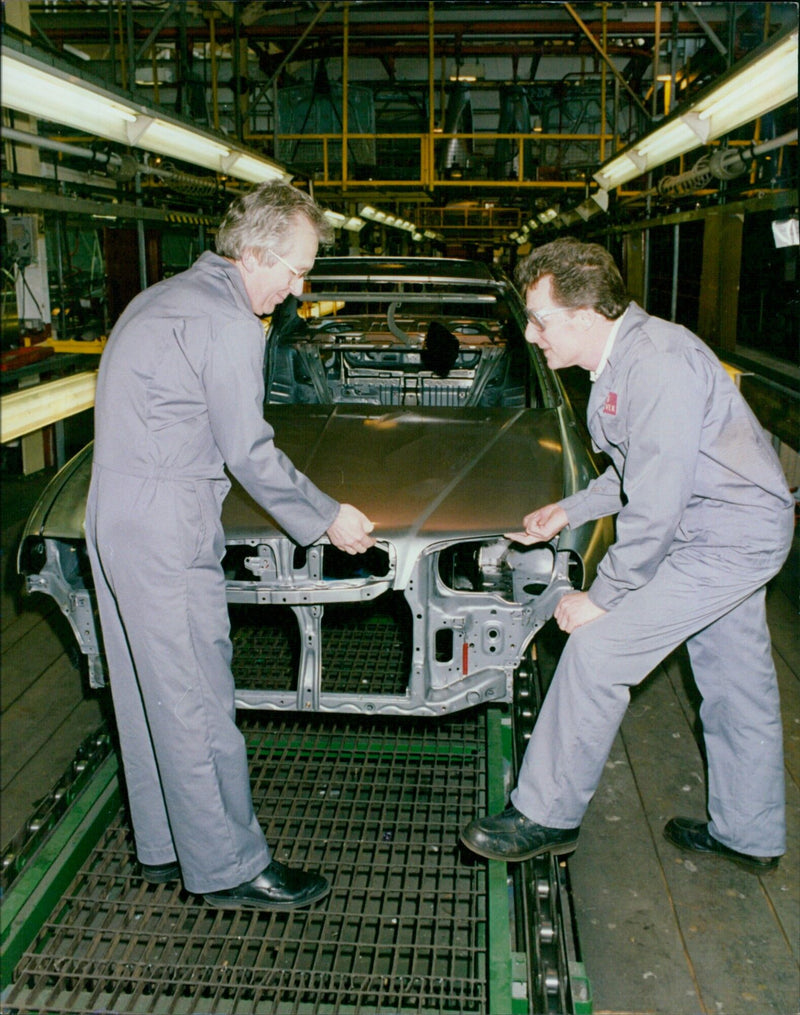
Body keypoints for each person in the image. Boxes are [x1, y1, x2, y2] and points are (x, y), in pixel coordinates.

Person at [460, 237, 794, 874]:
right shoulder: (624, 361)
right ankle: (748, 833)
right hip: (728, 527)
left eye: (540, 319)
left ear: (586, 316)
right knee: (734, 684)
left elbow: (656, 505)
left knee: (598, 648)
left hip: (725, 539)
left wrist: (603, 597)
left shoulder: (658, 364)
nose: (532, 336)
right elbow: (637, 470)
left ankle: (545, 816)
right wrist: (571, 509)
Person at [85, 181, 376, 910]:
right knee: (198, 699)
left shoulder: (161, 297)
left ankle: (165, 845)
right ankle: (228, 865)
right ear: (252, 253)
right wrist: (327, 515)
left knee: (145, 688)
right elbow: (248, 450)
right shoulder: (226, 320)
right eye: (294, 270)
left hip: (112, 511)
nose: (298, 288)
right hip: (166, 522)